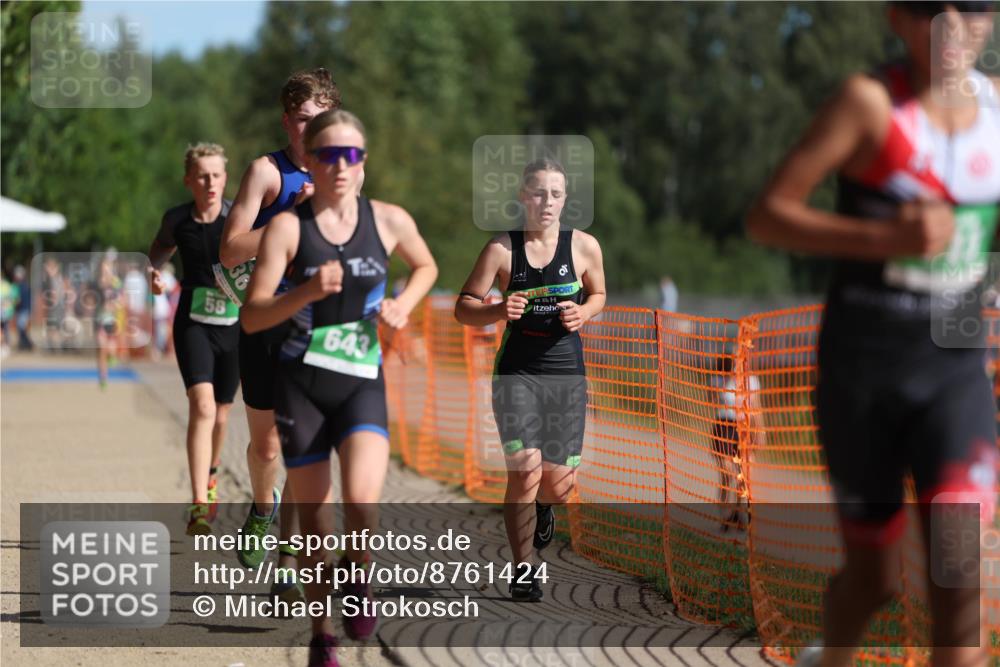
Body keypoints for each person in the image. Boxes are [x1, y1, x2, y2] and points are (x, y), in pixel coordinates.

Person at [746, 3, 998, 666]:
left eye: (971, 5)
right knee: (874, 579)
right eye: (926, 6)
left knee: (959, 582)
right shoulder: (870, 103)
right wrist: (887, 238)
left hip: (954, 366)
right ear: (895, 16)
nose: (948, 23)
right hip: (864, 370)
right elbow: (768, 216)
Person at [241, 109, 437, 667]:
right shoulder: (286, 228)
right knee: (318, 521)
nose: (340, 165)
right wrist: (302, 294)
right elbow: (253, 318)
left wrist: (403, 303)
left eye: (350, 155)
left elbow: (425, 266)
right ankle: (322, 632)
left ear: (363, 164)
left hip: (360, 381)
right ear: (312, 162)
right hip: (300, 381)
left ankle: (360, 583)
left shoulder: (389, 220)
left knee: (363, 501)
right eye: (328, 155)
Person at [454, 158, 607, 602]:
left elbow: (598, 293)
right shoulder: (502, 250)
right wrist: (496, 310)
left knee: (558, 484)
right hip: (517, 372)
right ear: (523, 195)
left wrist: (586, 311)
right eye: (539, 192)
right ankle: (524, 568)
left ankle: (544, 507)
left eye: (556, 194)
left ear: (565, 200)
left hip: (566, 374)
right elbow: (464, 306)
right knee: (524, 470)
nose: (547, 202)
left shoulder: (583, 247)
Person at [219, 68, 341, 588]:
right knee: (267, 447)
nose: (310, 131)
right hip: (264, 319)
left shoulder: (341, 169)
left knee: (304, 444)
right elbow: (229, 249)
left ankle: (290, 562)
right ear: (286, 121)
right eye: (301, 121)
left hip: (314, 323)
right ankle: (262, 508)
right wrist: (290, 218)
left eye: (319, 120)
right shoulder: (267, 173)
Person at [148, 143, 241, 537]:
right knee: (201, 407)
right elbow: (157, 254)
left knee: (221, 414)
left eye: (217, 174)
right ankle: (199, 503)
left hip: (235, 324)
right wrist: (154, 273)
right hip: (193, 322)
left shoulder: (239, 216)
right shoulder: (177, 220)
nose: (210, 182)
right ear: (189, 180)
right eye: (202, 175)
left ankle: (213, 471)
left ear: (225, 177)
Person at [711, 352, 764, 533]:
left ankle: (737, 513)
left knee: (745, 476)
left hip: (743, 428)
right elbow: (711, 399)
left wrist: (760, 432)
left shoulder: (753, 381)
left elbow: (756, 408)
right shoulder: (720, 379)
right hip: (723, 427)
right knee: (727, 475)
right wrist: (728, 377)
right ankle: (725, 516)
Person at [93, 250, 123, 390]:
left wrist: (115, 304)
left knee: (110, 350)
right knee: (101, 349)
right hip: (99, 319)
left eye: (108, 268)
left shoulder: (116, 283)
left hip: (111, 319)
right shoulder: (97, 284)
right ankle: (103, 377)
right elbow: (90, 299)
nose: (106, 271)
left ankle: (112, 356)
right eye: (104, 268)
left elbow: (121, 300)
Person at [13, 265, 33, 351]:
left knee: (21, 328)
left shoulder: (20, 286)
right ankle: (24, 345)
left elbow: (18, 300)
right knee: (21, 328)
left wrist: (13, 306)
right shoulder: (26, 285)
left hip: (23, 310)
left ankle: (27, 345)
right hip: (25, 310)